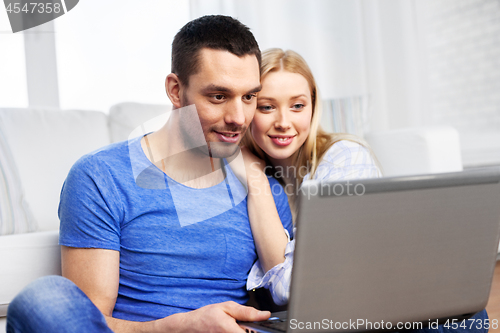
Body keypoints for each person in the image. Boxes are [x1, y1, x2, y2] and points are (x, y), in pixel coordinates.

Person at [6, 16, 293, 333]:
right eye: (218, 97)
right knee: (44, 300)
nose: (238, 118)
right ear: (175, 90)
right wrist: (181, 326)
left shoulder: (264, 192)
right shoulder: (101, 177)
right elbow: (90, 321)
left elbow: (287, 301)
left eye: (249, 97)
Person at [242, 48, 488, 332]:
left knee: (461, 316)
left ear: (313, 106)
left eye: (297, 106)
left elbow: (288, 288)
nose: (284, 122)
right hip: (330, 317)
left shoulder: (345, 157)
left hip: (392, 302)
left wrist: (253, 175)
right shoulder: (241, 171)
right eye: (267, 106)